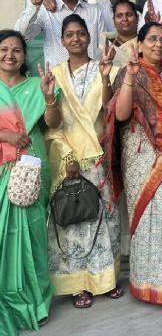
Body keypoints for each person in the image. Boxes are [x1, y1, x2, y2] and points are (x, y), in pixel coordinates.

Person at [104, 22, 162, 305]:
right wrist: (129, 77)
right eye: (152, 39)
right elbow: (121, 114)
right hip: (140, 156)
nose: (158, 44)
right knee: (146, 216)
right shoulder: (129, 73)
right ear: (139, 44)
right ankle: (145, 283)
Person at [45, 14, 122, 308]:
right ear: (62, 41)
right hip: (68, 158)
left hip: (98, 156)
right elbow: (53, 123)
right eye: (70, 34)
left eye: (80, 33)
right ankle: (78, 284)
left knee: (103, 218)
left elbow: (110, 108)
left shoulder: (105, 68)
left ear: (89, 37)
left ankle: (106, 279)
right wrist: (68, 157)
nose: (76, 38)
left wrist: (105, 77)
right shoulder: (55, 75)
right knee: (73, 222)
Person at [0, 30, 60, 334]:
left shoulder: (38, 85)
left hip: (31, 169)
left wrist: (49, 99)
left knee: (34, 236)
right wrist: (5, 135)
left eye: (16, 50)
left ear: (25, 56)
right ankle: (8, 299)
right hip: (2, 170)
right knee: (4, 237)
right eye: (4, 49)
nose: (10, 55)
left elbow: (54, 123)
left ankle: (37, 302)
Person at [15, 0, 104, 65]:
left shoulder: (94, 11)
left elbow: (103, 47)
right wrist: (34, 6)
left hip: (91, 74)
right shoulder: (45, 11)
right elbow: (21, 35)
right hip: (56, 75)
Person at [100, 0, 140, 68]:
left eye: (129, 15)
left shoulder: (144, 44)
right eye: (119, 16)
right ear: (114, 21)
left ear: (137, 18)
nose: (124, 19)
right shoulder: (105, 44)